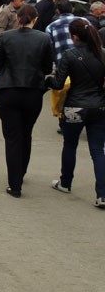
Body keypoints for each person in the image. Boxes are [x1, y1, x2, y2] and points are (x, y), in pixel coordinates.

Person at [0, 5, 53, 197]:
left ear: (18, 18)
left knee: (12, 137)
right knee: (26, 133)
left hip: (8, 90)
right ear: (35, 19)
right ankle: (21, 171)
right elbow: (47, 66)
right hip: (33, 91)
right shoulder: (44, 38)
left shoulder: (6, 37)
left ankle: (14, 184)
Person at [46, 19, 105, 208]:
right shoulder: (102, 54)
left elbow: (58, 83)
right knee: (97, 150)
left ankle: (65, 182)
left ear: (75, 37)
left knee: (70, 145)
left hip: (74, 107)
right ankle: (102, 195)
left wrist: (46, 79)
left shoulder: (70, 55)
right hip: (99, 107)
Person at [45, 0, 78, 66]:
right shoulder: (85, 21)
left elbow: (49, 50)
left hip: (62, 66)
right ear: (72, 10)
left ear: (58, 11)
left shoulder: (50, 27)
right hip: (84, 65)